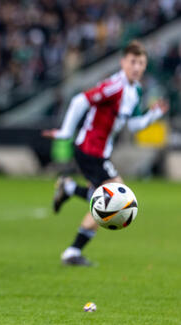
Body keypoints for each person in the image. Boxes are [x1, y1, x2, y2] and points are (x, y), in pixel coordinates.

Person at [42, 40, 169, 266]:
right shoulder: (115, 86)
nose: (137, 67)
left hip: (100, 152)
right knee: (117, 200)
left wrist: (153, 115)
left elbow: (132, 125)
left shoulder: (135, 90)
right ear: (123, 62)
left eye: (141, 63)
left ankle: (69, 189)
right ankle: (72, 251)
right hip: (90, 149)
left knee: (104, 199)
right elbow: (80, 100)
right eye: (133, 62)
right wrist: (65, 132)